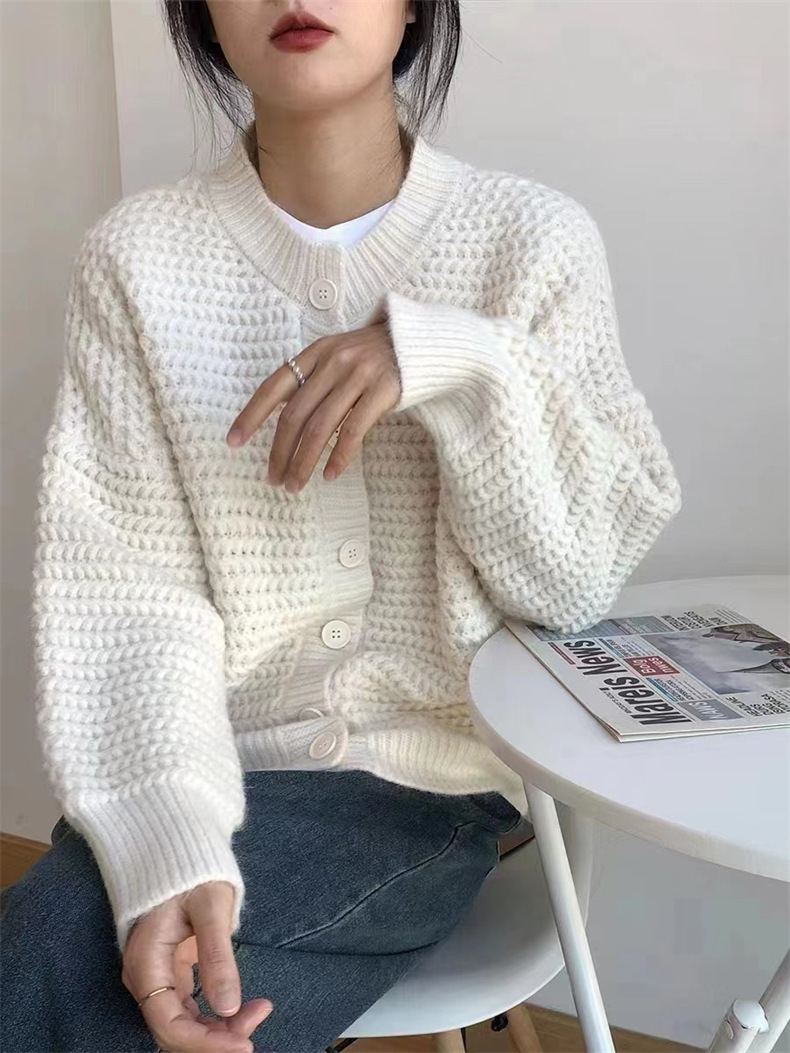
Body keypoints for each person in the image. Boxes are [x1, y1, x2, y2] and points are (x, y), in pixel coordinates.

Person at [1, 2, 683, 1051]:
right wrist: (169, 841)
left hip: (441, 788)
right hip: (211, 770)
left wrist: (460, 366)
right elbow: (129, 596)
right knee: (66, 951)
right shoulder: (137, 259)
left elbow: (571, 584)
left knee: (62, 969)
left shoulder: (529, 242)